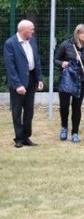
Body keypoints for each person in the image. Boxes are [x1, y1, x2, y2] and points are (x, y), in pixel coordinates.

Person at [54, 23, 84, 143]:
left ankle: (75, 132)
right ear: (77, 33)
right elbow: (56, 59)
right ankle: (64, 127)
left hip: (81, 81)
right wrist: (61, 63)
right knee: (64, 106)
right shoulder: (66, 44)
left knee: (76, 107)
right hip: (66, 80)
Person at [4, 20, 44, 148]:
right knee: (17, 111)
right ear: (23, 30)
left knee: (29, 110)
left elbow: (36, 60)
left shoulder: (32, 41)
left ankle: (26, 136)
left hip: (31, 79)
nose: (33, 31)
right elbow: (10, 67)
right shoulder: (10, 43)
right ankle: (19, 138)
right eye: (31, 29)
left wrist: (39, 79)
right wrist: (18, 85)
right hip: (18, 81)